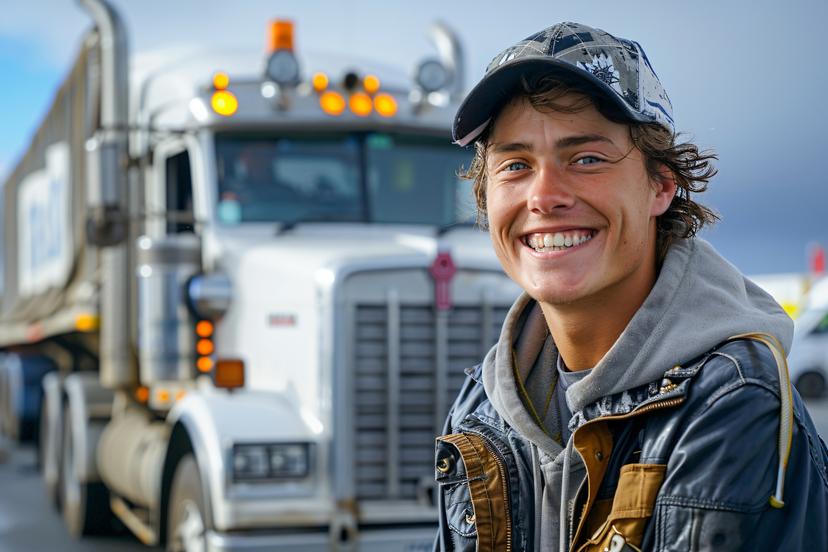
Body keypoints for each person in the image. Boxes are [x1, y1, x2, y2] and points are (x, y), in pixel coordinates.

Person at [433, 22, 828, 551]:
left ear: (661, 186)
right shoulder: (481, 404)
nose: (544, 196)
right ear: (485, 198)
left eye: (587, 159)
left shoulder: (732, 402)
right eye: (516, 165)